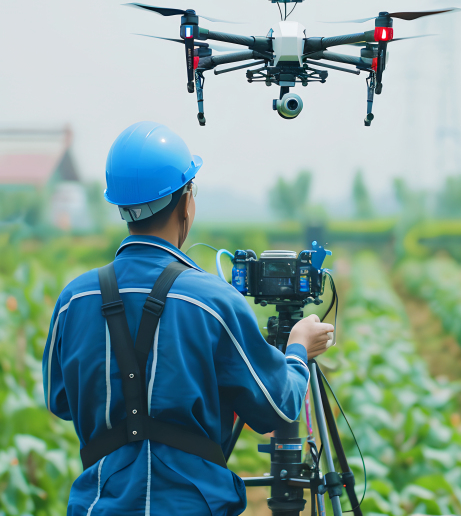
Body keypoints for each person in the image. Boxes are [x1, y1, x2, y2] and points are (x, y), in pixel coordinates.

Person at [42, 121, 335, 516]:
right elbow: (277, 407)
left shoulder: (72, 300)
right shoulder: (213, 301)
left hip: (99, 505)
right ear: (185, 202)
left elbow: (61, 400)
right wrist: (298, 348)